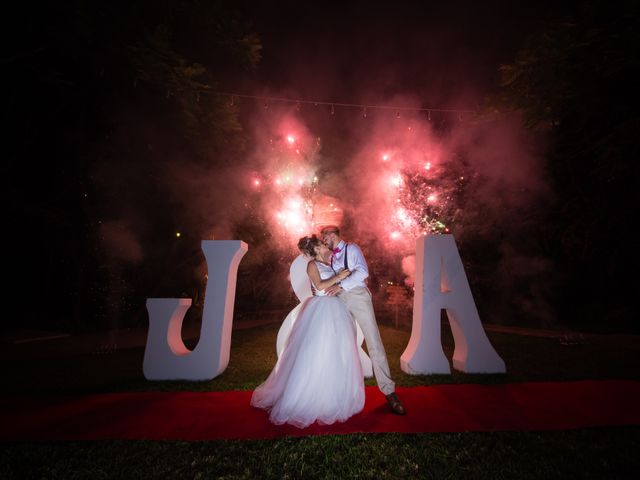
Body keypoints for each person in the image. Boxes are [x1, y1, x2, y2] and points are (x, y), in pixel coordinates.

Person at [250, 235, 365, 428]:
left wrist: (343, 281)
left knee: (335, 354)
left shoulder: (329, 263)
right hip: (320, 311)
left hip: (335, 310)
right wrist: (339, 277)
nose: (325, 244)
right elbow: (319, 286)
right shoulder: (312, 265)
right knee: (315, 353)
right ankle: (306, 398)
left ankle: (332, 395)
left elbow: (337, 285)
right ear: (316, 249)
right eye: (321, 243)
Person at [321, 225, 406, 415]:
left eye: (324, 236)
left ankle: (389, 391)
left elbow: (362, 272)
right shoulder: (331, 256)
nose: (323, 239)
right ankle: (343, 392)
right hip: (340, 301)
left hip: (358, 296)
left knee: (374, 342)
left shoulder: (352, 249)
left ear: (332, 234)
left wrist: (341, 285)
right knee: (343, 345)